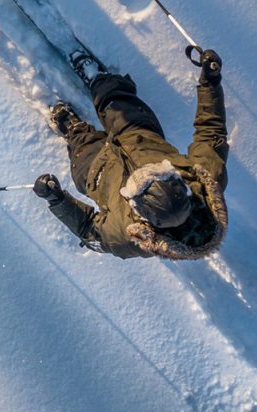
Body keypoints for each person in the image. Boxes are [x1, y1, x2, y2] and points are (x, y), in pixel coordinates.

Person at [34, 48, 228, 259]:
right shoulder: (204, 178)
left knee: (82, 149)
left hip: (99, 173)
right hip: (139, 137)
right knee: (115, 99)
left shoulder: (127, 235)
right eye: (160, 171)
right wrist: (211, 82)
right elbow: (211, 132)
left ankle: (75, 129)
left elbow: (90, 231)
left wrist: (57, 200)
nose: (140, 171)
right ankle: (99, 79)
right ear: (181, 184)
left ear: (144, 214)